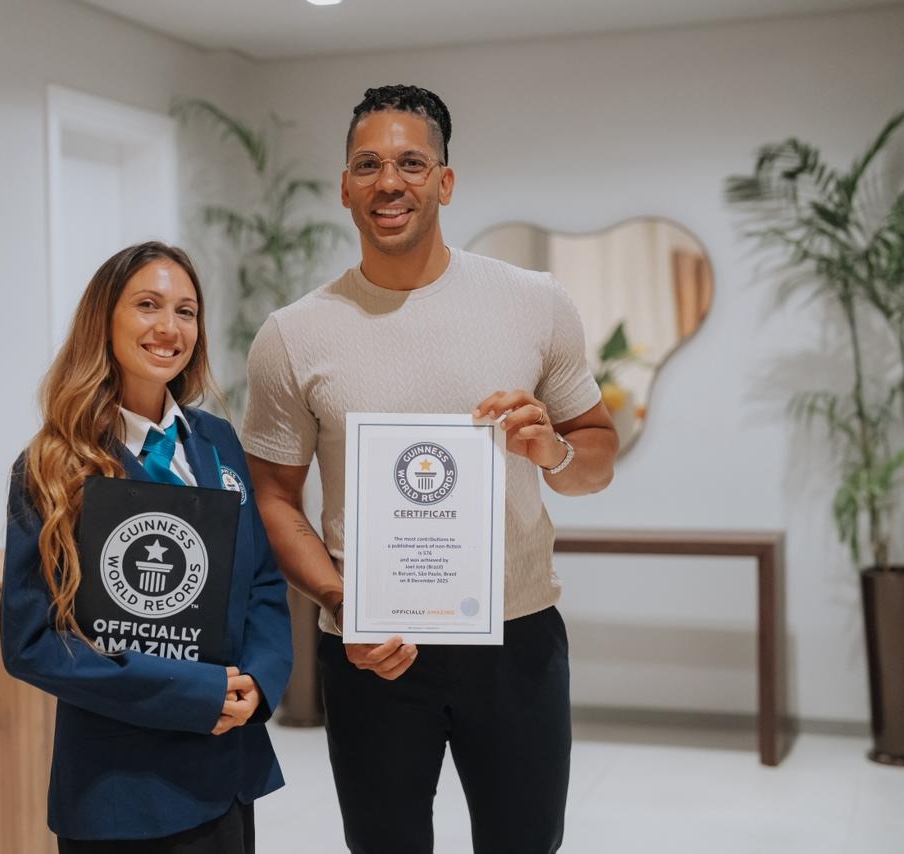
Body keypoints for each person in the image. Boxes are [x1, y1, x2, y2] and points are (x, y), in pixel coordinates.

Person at [242, 85, 618, 853]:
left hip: (516, 639)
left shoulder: (534, 303)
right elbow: (273, 498)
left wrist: (553, 450)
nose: (390, 182)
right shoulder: (293, 335)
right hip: (371, 650)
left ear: (445, 182)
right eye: (368, 165)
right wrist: (341, 600)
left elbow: (595, 459)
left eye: (411, 163)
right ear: (344, 186)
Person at [1, 241, 292, 854]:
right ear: (103, 321)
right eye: (148, 305)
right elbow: (34, 642)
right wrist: (194, 694)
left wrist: (259, 680)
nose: (169, 327)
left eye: (186, 311)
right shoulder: (53, 465)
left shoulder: (216, 441)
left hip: (225, 770)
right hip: (122, 789)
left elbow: (262, 581)